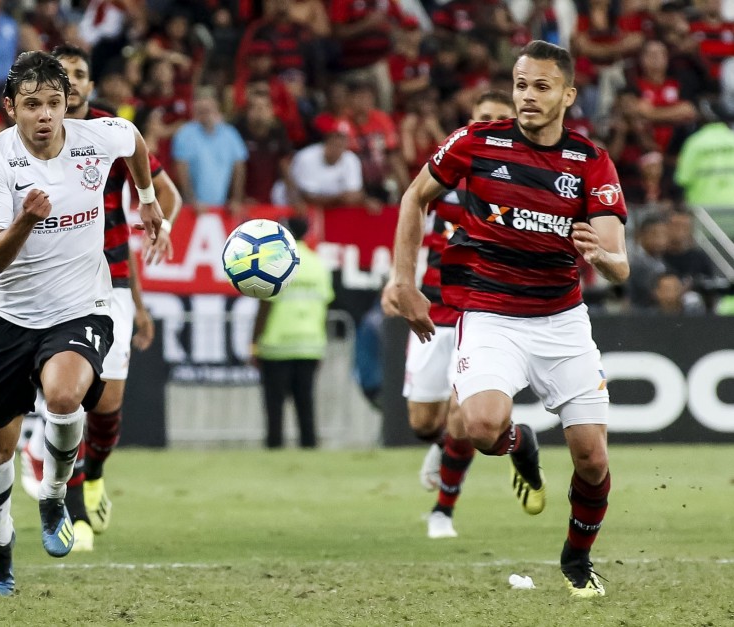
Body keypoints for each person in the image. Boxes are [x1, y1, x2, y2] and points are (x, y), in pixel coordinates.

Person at [388, 41, 629, 598]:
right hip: (492, 314)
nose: (527, 96)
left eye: (542, 86)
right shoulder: (475, 143)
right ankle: (520, 444)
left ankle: (577, 557)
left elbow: (619, 263)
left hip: (563, 320)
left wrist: (603, 257)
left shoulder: (590, 162)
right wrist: (402, 281)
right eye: (521, 84)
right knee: (479, 425)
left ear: (568, 94)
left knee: (592, 458)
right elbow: (413, 198)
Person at [0, 50, 163, 596]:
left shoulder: (98, 138)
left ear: (67, 104)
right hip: (9, 316)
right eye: (32, 105)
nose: (45, 114)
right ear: (11, 108)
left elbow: (136, 141)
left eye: (54, 102)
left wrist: (146, 199)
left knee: (64, 395)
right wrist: (27, 218)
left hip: (82, 306)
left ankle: (54, 495)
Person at [19, 43, 182, 552]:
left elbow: (163, 193)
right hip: (55, 283)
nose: (72, 82)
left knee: (108, 405)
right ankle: (71, 513)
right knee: (67, 398)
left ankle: (91, 475)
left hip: (110, 280)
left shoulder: (112, 134)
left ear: (88, 86)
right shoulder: (31, 140)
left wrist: (159, 223)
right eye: (62, 75)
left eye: (80, 74)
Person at [382, 90, 516, 540]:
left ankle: (443, 512)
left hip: (486, 312)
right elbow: (411, 216)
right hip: (436, 309)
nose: (493, 123)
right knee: (424, 422)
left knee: (464, 411)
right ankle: (440, 445)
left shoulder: (525, 182)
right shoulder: (448, 171)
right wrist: (397, 279)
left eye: (502, 117)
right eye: (485, 117)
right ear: (471, 120)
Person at [251, 217, 334, 448]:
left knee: (274, 404)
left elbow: (265, 306)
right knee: (305, 402)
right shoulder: (318, 264)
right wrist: (321, 343)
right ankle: (309, 446)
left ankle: (275, 446)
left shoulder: (276, 262)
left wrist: (253, 343)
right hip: (310, 343)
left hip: (277, 344)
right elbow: (324, 305)